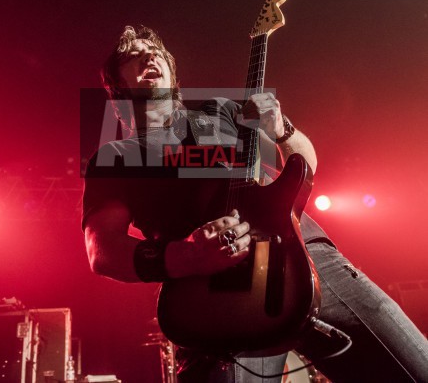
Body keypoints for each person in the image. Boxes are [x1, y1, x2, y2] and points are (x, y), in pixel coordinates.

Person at [82, 26, 428, 382]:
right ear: (118, 88)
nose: (149, 56)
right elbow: (102, 249)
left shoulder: (222, 112)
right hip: (211, 297)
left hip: (304, 256)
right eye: (133, 56)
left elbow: (302, 167)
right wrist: (186, 256)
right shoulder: (115, 156)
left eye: (155, 52)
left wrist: (282, 129)